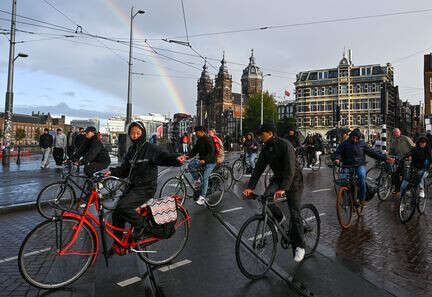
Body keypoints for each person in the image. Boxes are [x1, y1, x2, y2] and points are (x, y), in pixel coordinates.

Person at [105, 121, 186, 250]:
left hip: (145, 188)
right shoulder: (132, 150)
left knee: (123, 207)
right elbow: (124, 169)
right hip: (133, 187)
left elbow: (164, 157)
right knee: (116, 213)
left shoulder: (150, 148)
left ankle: (142, 226)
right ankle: (119, 243)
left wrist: (176, 159)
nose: (135, 136)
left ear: (143, 133)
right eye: (132, 133)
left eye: (138, 133)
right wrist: (112, 172)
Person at [242, 123, 306, 263]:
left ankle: (300, 246)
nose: (259, 136)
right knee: (266, 199)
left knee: (294, 213)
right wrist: (250, 187)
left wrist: (283, 188)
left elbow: (290, 169)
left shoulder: (285, 145)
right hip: (278, 179)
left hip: (293, 181)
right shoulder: (266, 148)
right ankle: (282, 221)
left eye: (262, 133)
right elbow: (259, 167)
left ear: (270, 133)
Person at [334, 129, 394, 207]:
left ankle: (362, 199)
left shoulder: (362, 144)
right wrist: (337, 159)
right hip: (347, 165)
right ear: (351, 136)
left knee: (362, 177)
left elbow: (372, 153)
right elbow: (338, 152)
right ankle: (346, 198)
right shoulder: (344, 143)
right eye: (353, 138)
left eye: (357, 138)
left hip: (359, 165)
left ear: (359, 138)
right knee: (342, 180)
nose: (355, 140)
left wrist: (385, 158)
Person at [187, 126, 216, 206]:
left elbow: (212, 152)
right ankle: (197, 180)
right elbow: (194, 151)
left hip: (210, 162)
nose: (195, 134)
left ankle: (202, 197)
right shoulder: (199, 140)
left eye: (196, 132)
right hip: (202, 161)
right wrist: (186, 157)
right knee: (190, 165)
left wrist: (205, 160)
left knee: (205, 177)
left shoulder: (208, 139)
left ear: (201, 131)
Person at [400, 136, 431, 201]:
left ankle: (421, 190)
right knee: (405, 183)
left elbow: (430, 160)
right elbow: (410, 153)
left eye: (423, 142)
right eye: (420, 142)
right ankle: (402, 198)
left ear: (426, 143)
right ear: (418, 142)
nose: (422, 144)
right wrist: (407, 156)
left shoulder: (428, 151)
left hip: (424, 169)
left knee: (420, 175)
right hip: (414, 168)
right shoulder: (415, 149)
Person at [389, 128, 415, 194]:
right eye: (394, 133)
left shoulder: (405, 138)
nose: (396, 134)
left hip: (406, 158)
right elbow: (391, 150)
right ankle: (397, 188)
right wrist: (389, 155)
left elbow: (413, 147)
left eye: (397, 132)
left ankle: (405, 189)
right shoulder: (393, 140)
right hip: (398, 159)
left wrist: (411, 155)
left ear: (400, 132)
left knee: (405, 174)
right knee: (395, 173)